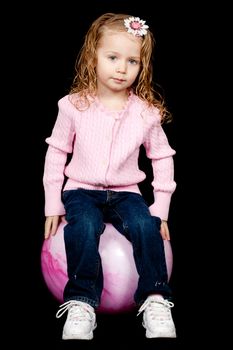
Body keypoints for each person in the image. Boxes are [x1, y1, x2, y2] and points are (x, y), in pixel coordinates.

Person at [43, 12, 177, 340]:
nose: (121, 68)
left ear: (141, 66)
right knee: (84, 227)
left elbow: (162, 157)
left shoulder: (145, 113)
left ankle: (155, 299)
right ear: (93, 57)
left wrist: (160, 208)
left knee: (145, 226)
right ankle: (81, 302)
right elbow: (57, 152)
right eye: (113, 57)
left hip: (127, 192)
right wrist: (52, 204)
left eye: (132, 61)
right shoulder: (73, 106)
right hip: (81, 190)